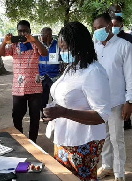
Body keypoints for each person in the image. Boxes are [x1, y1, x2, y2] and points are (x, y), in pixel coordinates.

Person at [43, 21, 111, 181]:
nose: (62, 52)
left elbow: (102, 115)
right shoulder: (71, 67)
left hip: (84, 143)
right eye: (61, 48)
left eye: (65, 48)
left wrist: (63, 112)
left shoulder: (94, 72)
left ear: (78, 45)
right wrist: (53, 111)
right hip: (64, 138)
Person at [93, 13, 132, 181]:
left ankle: (119, 174)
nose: (97, 31)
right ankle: (107, 166)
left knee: (117, 139)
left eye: (100, 27)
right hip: (99, 103)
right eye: (95, 28)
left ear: (110, 26)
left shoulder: (124, 46)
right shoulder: (96, 46)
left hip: (117, 102)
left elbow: (131, 77)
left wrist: (129, 101)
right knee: (103, 137)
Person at [0, 20, 48, 143]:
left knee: (34, 117)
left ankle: (32, 141)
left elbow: (45, 53)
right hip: (18, 88)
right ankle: (20, 140)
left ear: (29, 31)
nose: (23, 33)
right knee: (17, 116)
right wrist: (5, 42)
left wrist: (34, 40)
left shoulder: (35, 44)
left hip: (35, 87)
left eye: (25, 30)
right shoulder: (14, 46)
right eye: (20, 31)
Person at [112, 16, 132, 130]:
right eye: (112, 25)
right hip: (116, 77)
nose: (113, 28)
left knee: (126, 98)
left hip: (127, 73)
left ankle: (126, 121)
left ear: (121, 25)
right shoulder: (108, 40)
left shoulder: (129, 39)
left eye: (115, 25)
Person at [38, 27, 61, 123]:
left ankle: (55, 116)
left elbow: (62, 60)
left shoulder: (57, 45)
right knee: (42, 99)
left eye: (42, 34)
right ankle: (44, 116)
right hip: (43, 76)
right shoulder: (39, 45)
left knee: (56, 98)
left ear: (48, 36)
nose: (40, 36)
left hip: (54, 77)